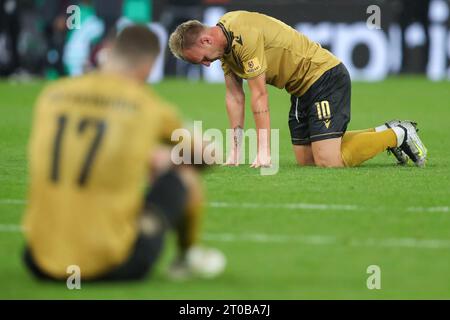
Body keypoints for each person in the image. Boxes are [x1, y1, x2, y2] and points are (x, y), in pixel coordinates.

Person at [23, 25, 225, 282]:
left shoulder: (52, 95)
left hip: (39, 260)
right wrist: (161, 159)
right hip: (114, 263)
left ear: (106, 53)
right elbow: (208, 155)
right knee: (183, 173)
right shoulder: (145, 105)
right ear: (149, 67)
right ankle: (187, 257)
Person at [168, 11, 427, 168]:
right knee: (307, 160)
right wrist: (235, 149)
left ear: (205, 39)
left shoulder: (242, 34)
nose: (204, 64)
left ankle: (398, 134)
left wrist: (263, 151)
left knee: (329, 161)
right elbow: (235, 96)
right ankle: (383, 131)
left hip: (324, 76)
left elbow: (259, 95)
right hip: (300, 89)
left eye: (200, 58)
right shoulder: (223, 47)